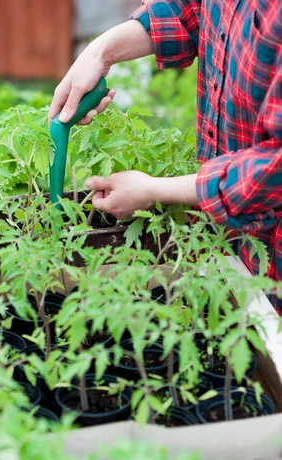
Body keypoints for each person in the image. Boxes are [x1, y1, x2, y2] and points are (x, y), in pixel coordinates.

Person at [49, 1, 282, 309]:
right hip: (218, 240)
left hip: (271, 262)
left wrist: (155, 189)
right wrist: (101, 51)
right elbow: (192, 11)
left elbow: (274, 168)